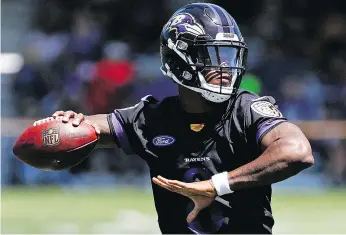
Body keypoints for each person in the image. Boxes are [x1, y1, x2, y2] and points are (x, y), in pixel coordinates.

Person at [49, 3, 314, 234]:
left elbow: (296, 152)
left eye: (229, 55)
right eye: (213, 56)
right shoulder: (152, 118)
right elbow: (93, 127)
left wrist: (216, 185)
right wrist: (73, 123)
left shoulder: (246, 108)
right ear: (181, 60)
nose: (225, 68)